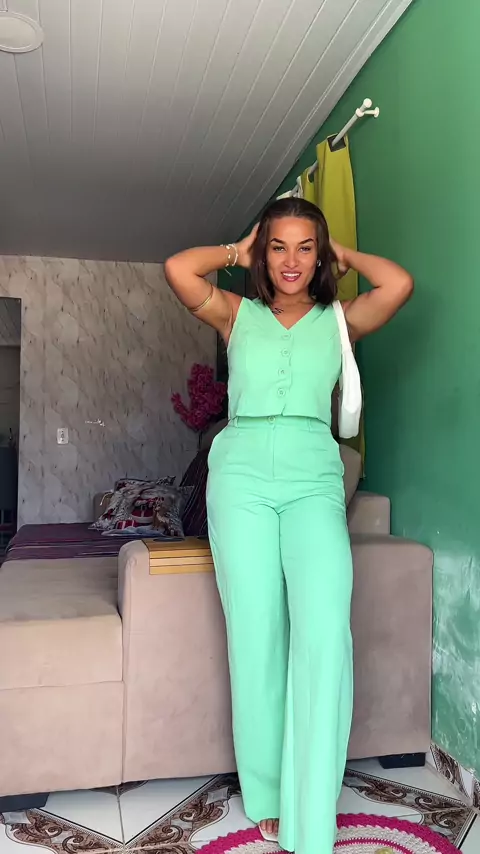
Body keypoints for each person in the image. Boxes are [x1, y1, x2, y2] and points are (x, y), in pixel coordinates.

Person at [165, 197, 413, 854]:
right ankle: (270, 794)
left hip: (311, 480)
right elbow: (179, 270)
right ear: (263, 253)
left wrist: (344, 254)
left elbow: (398, 284)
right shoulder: (236, 314)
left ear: (320, 254)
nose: (293, 260)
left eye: (307, 246)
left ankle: (311, 809)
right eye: (279, 246)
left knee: (324, 632)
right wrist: (235, 251)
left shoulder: (339, 321)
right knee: (256, 636)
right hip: (241, 480)